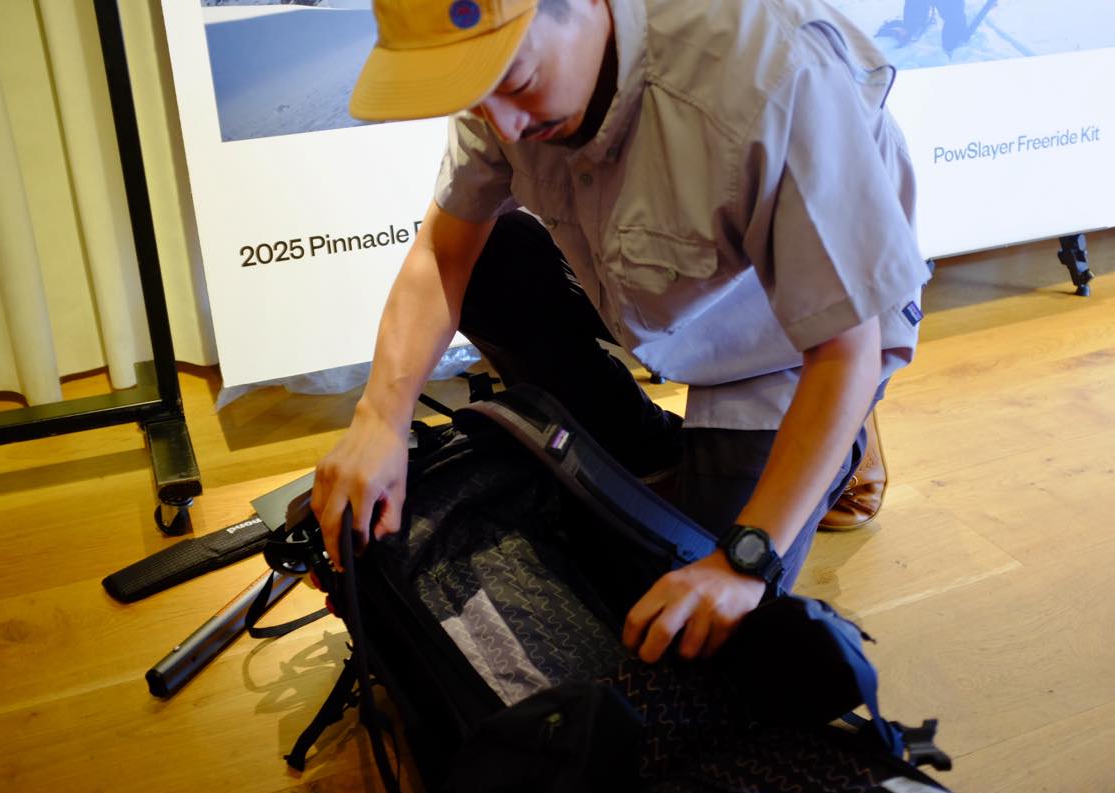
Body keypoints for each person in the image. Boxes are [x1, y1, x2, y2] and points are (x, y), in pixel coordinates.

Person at [311, 0, 930, 664]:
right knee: (493, 260)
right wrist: (379, 419)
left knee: (680, 617)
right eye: (477, 99)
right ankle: (654, 450)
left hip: (802, 338)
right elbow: (444, 253)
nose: (506, 124)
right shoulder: (503, 72)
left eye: (518, 83)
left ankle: (843, 440)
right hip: (653, 293)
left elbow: (845, 346)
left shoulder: (775, 76)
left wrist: (747, 559)